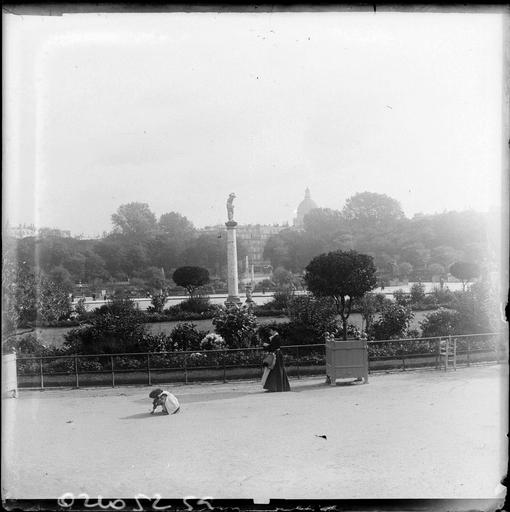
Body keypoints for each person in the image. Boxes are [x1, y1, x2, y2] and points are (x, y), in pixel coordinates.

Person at [261, 328, 290, 392]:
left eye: (271, 330)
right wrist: (267, 345)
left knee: (276, 370)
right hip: (275, 354)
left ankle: (275, 388)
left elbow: (273, 347)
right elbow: (271, 346)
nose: (270, 332)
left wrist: (266, 346)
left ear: (274, 331)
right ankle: (275, 387)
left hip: (276, 354)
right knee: (274, 370)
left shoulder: (277, 337)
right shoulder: (273, 337)